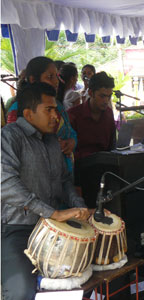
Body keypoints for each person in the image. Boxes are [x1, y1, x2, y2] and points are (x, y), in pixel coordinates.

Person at [1, 82, 92, 300]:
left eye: (57, 110)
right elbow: (5, 182)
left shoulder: (52, 141)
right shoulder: (9, 137)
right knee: (20, 292)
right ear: (28, 114)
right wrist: (52, 213)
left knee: (85, 276)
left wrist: (78, 205)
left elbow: (63, 181)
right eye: (48, 110)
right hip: (17, 229)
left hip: (52, 228)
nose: (56, 116)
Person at [7, 56, 77, 173]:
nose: (56, 81)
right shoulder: (18, 110)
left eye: (57, 76)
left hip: (63, 173)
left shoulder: (58, 105)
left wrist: (71, 142)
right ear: (33, 80)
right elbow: (16, 147)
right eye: (50, 77)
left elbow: (70, 132)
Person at [68, 71, 116, 161]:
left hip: (105, 166)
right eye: (102, 96)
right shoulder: (73, 115)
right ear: (90, 93)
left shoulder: (109, 113)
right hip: (80, 168)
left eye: (109, 96)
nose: (106, 101)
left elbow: (112, 146)